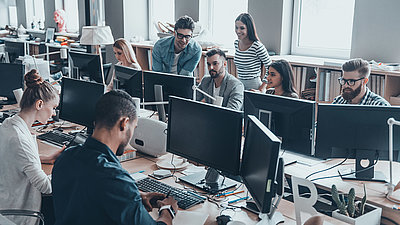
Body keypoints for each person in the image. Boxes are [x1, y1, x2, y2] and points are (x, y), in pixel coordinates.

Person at [52, 90, 178, 225]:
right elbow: (106, 185)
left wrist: (134, 197)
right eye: (134, 127)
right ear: (124, 123)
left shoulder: (65, 157)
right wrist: (167, 210)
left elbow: (86, 196)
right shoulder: (114, 178)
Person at [0, 69, 63, 225]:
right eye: (53, 107)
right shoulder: (19, 139)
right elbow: (46, 187)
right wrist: (70, 174)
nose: (54, 113)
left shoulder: (9, 124)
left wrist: (46, 158)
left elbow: (14, 158)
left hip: (6, 200)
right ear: (39, 104)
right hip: (18, 214)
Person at [234, 13, 271, 90]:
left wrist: (262, 88)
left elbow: (270, 67)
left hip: (254, 86)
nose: (238, 31)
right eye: (236, 27)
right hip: (239, 84)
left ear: (249, 28)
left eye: (242, 28)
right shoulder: (236, 43)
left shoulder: (257, 46)